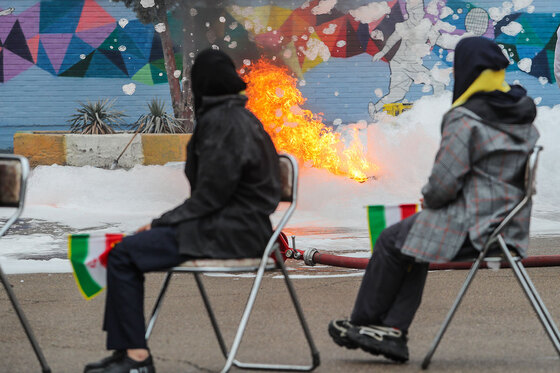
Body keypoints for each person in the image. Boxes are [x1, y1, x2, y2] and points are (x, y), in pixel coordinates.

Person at [329, 36, 539, 363]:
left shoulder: (466, 118)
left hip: (473, 227)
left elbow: (442, 185)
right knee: (412, 240)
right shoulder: (520, 114)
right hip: (508, 226)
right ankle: (392, 331)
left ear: (466, 72)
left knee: (390, 239)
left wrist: (429, 201)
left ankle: (364, 322)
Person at [84, 49, 282, 373]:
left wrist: (159, 224)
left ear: (200, 85)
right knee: (126, 252)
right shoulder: (238, 118)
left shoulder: (224, 124)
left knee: (124, 255)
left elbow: (210, 197)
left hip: (234, 234)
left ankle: (134, 358)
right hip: (232, 227)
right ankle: (127, 354)